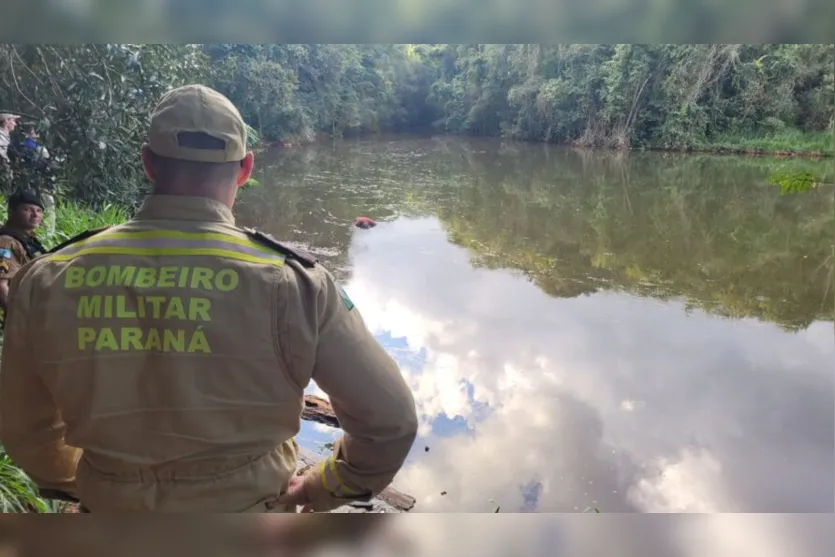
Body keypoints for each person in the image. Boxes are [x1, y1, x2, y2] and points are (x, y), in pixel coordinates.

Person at [0, 84, 418, 513]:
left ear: (148, 164)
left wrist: (93, 485)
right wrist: (320, 488)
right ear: (245, 169)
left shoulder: (48, 278)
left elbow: (26, 429)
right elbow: (390, 423)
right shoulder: (297, 283)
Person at [0, 190, 46, 313]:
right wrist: (16, 317)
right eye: (27, 210)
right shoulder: (6, 242)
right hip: (22, 315)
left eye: (38, 210)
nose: (35, 215)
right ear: (11, 213)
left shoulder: (29, 241)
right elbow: (2, 285)